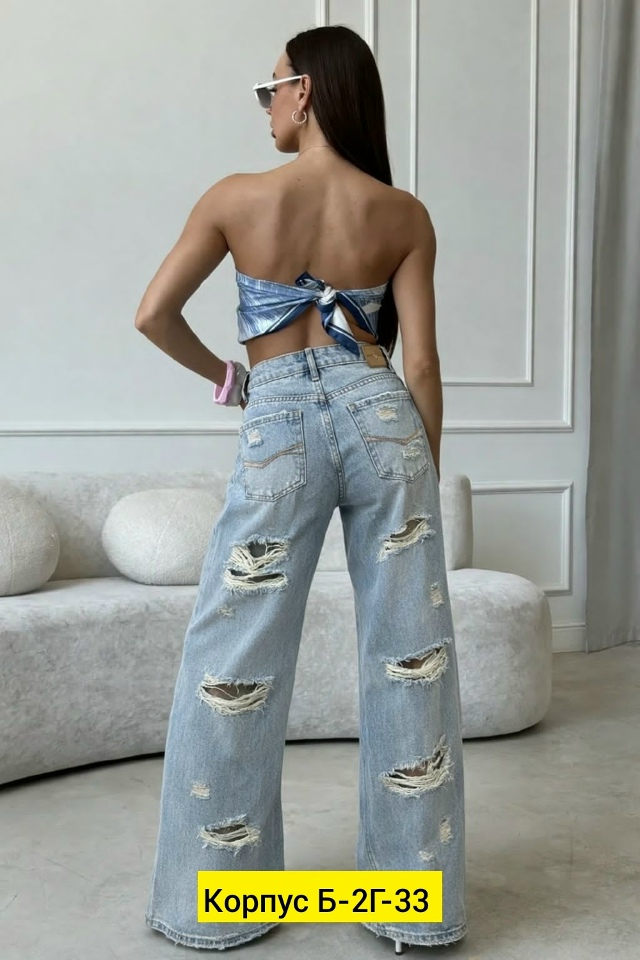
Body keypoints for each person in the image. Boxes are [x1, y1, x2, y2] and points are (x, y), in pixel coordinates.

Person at [136, 23, 467, 954]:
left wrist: (232, 379)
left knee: (233, 654)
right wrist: (421, 476)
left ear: (306, 91)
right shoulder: (404, 213)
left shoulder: (237, 198)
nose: (267, 104)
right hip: (385, 416)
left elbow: (153, 313)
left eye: (270, 87)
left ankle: (221, 906)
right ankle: (410, 908)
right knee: (411, 656)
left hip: (278, 414)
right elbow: (423, 365)